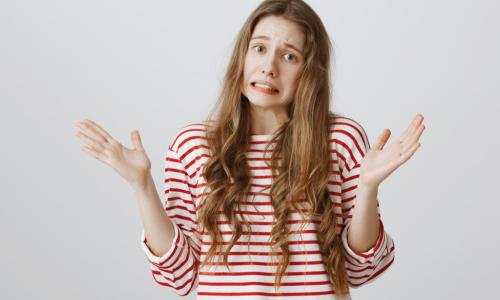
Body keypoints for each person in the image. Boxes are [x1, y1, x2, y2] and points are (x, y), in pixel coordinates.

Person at [74, 0, 425, 299]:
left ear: (309, 72)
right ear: (242, 55)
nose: (268, 67)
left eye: (289, 56)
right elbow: (180, 275)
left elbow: (359, 270)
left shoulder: (339, 140)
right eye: (259, 48)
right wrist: (142, 186)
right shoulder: (193, 146)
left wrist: (368, 187)